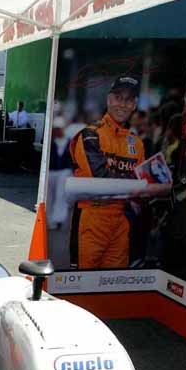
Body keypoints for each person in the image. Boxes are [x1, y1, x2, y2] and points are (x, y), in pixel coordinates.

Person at [69, 76, 145, 269]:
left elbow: (142, 184)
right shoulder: (90, 134)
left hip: (121, 221)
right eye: (118, 97)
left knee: (114, 283)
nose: (122, 104)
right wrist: (135, 185)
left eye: (128, 100)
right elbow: (100, 180)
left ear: (134, 105)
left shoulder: (137, 143)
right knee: (82, 284)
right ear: (109, 100)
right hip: (91, 217)